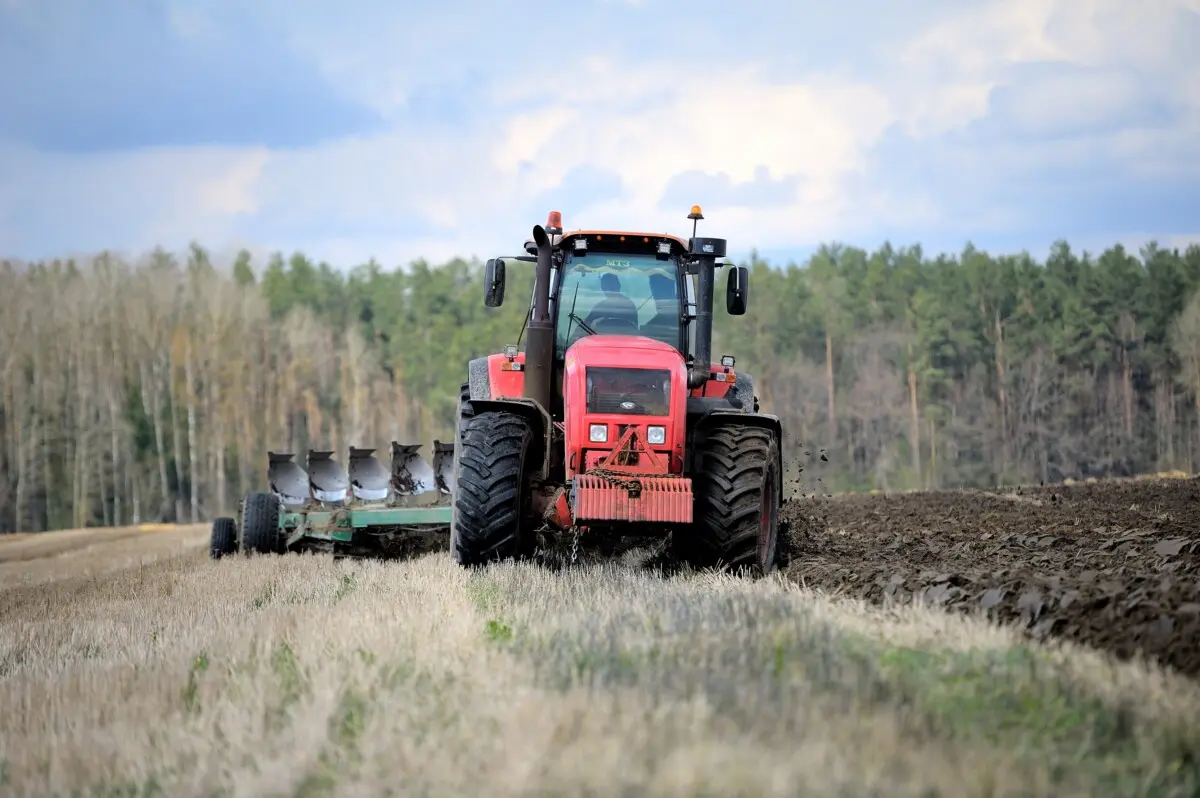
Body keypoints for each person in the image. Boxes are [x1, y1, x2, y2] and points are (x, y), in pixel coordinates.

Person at [639, 272, 680, 348]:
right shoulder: (649, 328)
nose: (655, 295)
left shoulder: (684, 321)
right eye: (652, 288)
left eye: (657, 289)